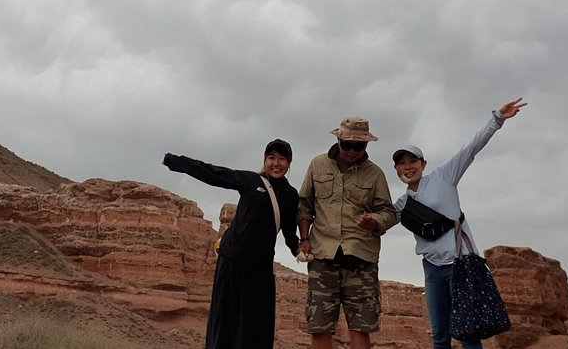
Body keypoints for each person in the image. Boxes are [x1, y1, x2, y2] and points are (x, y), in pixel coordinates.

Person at [392, 98, 527, 349]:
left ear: (423, 164)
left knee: (467, 330)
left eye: (413, 161)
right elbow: (381, 221)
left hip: (460, 264)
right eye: (402, 163)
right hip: (432, 269)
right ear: (396, 169)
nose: (408, 167)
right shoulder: (402, 204)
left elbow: (471, 147)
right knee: (439, 333)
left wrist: (497, 118)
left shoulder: (444, 177)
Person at [162, 139, 300, 349]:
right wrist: (176, 162)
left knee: (258, 323)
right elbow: (214, 174)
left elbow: (289, 230)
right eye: (271, 157)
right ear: (265, 160)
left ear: (289, 163)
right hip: (232, 260)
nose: (276, 163)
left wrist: (298, 248)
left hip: (261, 267)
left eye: (282, 159)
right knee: (225, 317)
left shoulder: (291, 195)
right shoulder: (250, 180)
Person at [297, 117, 398, 349]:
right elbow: (304, 205)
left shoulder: (376, 174)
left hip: (361, 260)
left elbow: (389, 212)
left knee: (361, 328)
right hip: (323, 257)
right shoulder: (317, 164)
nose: (353, 151)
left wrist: (374, 221)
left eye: (359, 146)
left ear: (366, 146)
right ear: (338, 140)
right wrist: (303, 239)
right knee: (320, 327)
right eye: (347, 144)